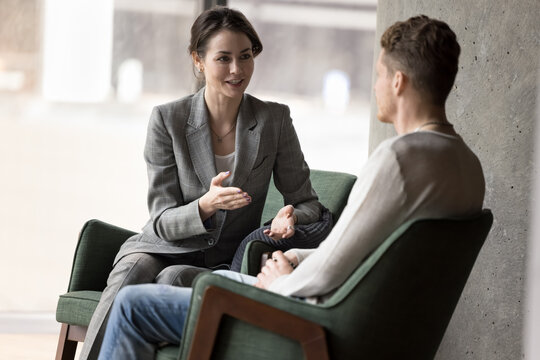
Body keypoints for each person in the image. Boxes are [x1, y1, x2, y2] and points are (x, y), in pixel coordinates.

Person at [97, 14, 486, 360]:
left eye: (379, 74)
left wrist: (284, 280)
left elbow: (338, 261)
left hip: (311, 319)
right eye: (223, 58)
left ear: (398, 82)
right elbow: (365, 255)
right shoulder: (469, 165)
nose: (374, 85)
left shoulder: (397, 160)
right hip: (367, 322)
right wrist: (296, 259)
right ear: (198, 61)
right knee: (141, 275)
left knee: (134, 305)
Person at [80, 6, 333, 360]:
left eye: (245, 57)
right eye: (223, 58)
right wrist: (205, 205)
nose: (237, 70)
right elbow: (161, 219)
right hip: (161, 245)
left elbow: (309, 204)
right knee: (132, 271)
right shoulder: (168, 120)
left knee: (171, 281)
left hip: (223, 259)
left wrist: (292, 216)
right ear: (198, 61)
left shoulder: (274, 120)